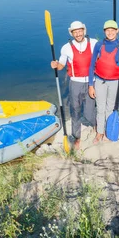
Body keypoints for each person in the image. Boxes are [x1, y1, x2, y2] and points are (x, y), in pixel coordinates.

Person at [50, 21, 98, 150]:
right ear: (71, 33)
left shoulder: (93, 43)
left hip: (91, 82)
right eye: (75, 32)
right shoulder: (66, 47)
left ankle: (96, 125)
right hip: (75, 82)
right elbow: (61, 65)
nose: (78, 34)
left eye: (80, 31)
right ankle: (77, 137)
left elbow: (102, 57)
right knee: (75, 110)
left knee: (89, 111)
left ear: (84, 30)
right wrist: (56, 65)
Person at [88, 20, 119, 144]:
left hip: (115, 82)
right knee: (100, 107)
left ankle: (108, 131)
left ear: (117, 31)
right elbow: (91, 66)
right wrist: (91, 85)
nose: (110, 32)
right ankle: (99, 132)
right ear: (104, 31)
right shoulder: (99, 45)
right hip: (100, 81)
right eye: (108, 30)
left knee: (110, 108)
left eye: (113, 30)